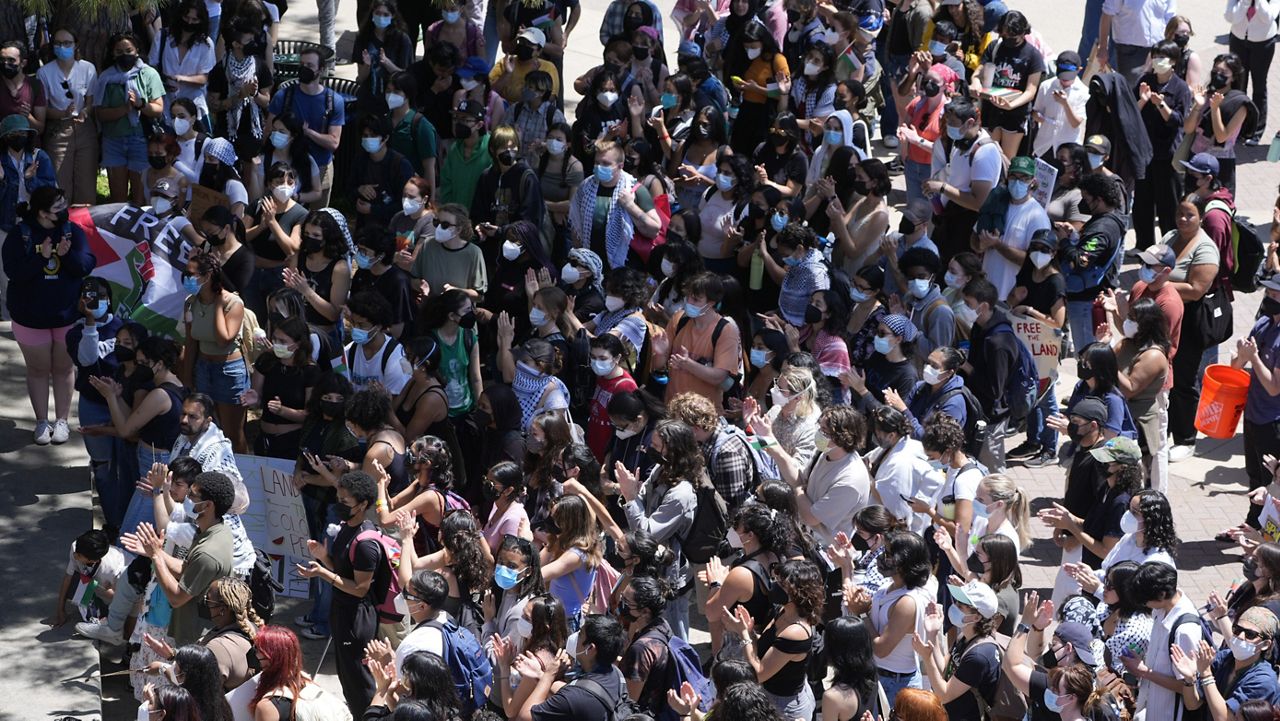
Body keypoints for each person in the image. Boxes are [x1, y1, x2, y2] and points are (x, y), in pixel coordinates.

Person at [3, 187, 93, 446]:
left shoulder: (71, 231)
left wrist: (67, 256)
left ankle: (62, 421)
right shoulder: (20, 235)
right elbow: (14, 272)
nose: (65, 211)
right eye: (58, 208)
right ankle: (42, 421)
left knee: (64, 368)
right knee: (39, 369)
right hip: (30, 317)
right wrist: (40, 258)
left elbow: (86, 265)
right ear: (42, 213)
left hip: (66, 315)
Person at [295, 470, 383, 714]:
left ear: (363, 504)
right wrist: (324, 558)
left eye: (345, 501)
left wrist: (324, 574)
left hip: (357, 617)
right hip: (342, 611)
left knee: (359, 678)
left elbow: (360, 588)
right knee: (347, 676)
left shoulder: (366, 544)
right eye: (339, 498)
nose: (339, 504)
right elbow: (344, 572)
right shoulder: (346, 528)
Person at [121, 470, 237, 646]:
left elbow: (177, 597)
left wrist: (157, 556)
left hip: (197, 638)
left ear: (208, 505)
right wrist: (155, 553)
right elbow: (187, 569)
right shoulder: (214, 530)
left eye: (193, 495)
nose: (187, 499)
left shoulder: (208, 553)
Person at [617, 419, 699, 638]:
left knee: (673, 633)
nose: (650, 450)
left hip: (669, 574)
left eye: (656, 446)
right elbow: (641, 501)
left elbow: (646, 534)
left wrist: (630, 497)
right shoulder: (660, 470)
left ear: (674, 451)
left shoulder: (681, 494)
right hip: (649, 566)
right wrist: (633, 497)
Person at [182, 249, 248, 452]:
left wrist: (218, 305)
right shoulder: (191, 303)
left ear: (207, 276)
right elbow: (191, 340)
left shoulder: (233, 303)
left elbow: (223, 339)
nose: (187, 279)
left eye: (191, 275)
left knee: (232, 433)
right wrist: (187, 375)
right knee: (204, 430)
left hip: (228, 371)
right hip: (203, 368)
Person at [265, 47, 345, 207]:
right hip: (287, 166)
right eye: (301, 64)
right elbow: (268, 130)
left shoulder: (334, 101)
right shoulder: (283, 96)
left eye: (309, 65)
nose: (304, 69)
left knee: (318, 218)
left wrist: (308, 133)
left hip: (321, 166)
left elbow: (334, 143)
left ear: (321, 70)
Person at [1125, 561, 1205, 721]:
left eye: (1145, 600)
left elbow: (1187, 687)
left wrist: (1144, 672)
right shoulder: (1162, 608)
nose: (1145, 604)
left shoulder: (1185, 631)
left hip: (1171, 713)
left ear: (1161, 594)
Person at [92, 32, 166, 203]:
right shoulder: (105, 78)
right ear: (112, 54)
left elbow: (159, 109)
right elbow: (100, 114)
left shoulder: (149, 74)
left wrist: (141, 105)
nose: (124, 55)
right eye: (119, 52)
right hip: (113, 140)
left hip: (140, 140)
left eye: (128, 50)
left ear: (137, 51)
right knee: (118, 199)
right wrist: (125, 109)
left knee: (140, 197)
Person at [1133, 40, 1192, 251]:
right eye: (1155, 56)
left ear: (1174, 61)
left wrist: (1161, 104)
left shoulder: (1180, 88)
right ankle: (1143, 244)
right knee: (1142, 203)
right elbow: (1132, 112)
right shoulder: (1145, 81)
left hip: (1167, 155)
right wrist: (1143, 99)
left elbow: (1179, 121)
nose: (1158, 61)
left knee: (1168, 205)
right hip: (1145, 152)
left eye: (1163, 57)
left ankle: (1170, 247)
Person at [511, 614, 627, 721]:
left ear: (590, 648)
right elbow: (575, 692)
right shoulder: (616, 674)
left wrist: (548, 675)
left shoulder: (575, 697)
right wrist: (540, 675)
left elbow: (524, 717)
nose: (575, 636)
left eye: (580, 634)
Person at [1173, 605, 1280, 719]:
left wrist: (1206, 674)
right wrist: (1190, 680)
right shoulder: (1224, 658)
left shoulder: (1264, 680)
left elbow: (1224, 718)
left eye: (1250, 635)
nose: (1240, 637)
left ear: (1265, 644)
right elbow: (1192, 704)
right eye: (1237, 630)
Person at [1233, 277, 1280, 528]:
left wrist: (1254, 358)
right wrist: (1242, 356)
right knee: (1254, 477)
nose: (1269, 298)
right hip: (1252, 416)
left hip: (1272, 422)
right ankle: (1252, 526)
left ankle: (1266, 539)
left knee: (1270, 481)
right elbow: (1236, 367)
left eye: (1275, 295)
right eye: (1269, 292)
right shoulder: (1262, 323)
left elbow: (1274, 387)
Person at [36, 28, 98, 205]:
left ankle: (84, 228)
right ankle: (61, 225)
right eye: (58, 43)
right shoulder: (45, 72)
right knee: (60, 184)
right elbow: (44, 108)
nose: (62, 47)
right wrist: (62, 113)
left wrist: (85, 112)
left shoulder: (87, 68)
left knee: (86, 185)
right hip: (58, 130)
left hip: (84, 129)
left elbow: (90, 102)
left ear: (75, 44)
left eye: (67, 43)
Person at [48, 529, 126, 629]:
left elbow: (126, 600)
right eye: (76, 553)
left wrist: (104, 590)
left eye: (79, 556)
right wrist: (60, 610)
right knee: (78, 580)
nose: (75, 556)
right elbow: (68, 577)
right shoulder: (77, 548)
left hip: (118, 597)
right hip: (100, 587)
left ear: (95, 560)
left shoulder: (115, 569)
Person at [1096, 0, 1177, 86]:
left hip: (1159, 51)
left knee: (1158, 89)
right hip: (1130, 53)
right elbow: (1107, 14)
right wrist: (1103, 47)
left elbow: (1171, 20)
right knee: (1131, 90)